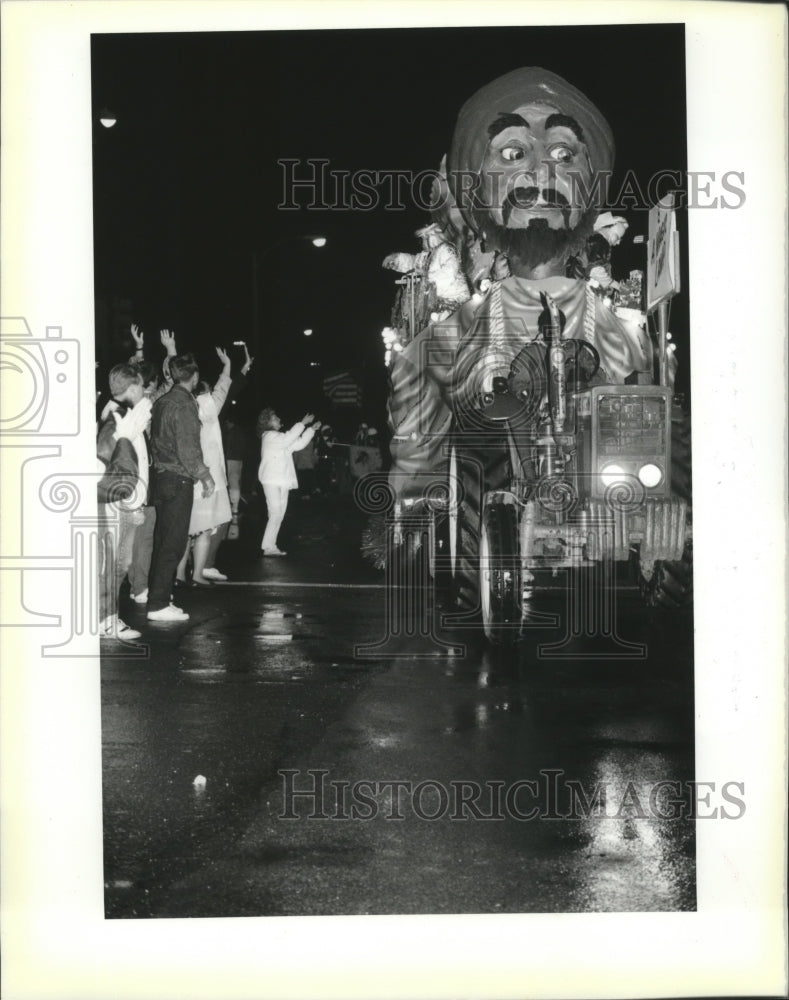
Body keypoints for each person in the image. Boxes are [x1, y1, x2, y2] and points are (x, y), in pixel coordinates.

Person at [147, 353, 214, 621]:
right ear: (194, 377)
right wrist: (205, 476)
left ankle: (159, 597)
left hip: (161, 477)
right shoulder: (185, 405)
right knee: (173, 544)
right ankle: (158, 605)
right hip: (178, 479)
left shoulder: (163, 402)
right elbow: (188, 448)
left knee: (163, 541)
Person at [96, 364, 152, 642]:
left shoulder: (124, 415)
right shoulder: (116, 418)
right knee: (113, 565)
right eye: (141, 386)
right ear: (132, 388)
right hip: (116, 505)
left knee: (119, 564)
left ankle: (107, 617)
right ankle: (105, 620)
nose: (144, 391)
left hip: (124, 503)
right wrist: (131, 503)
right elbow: (108, 464)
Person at [175, 347, 234, 586]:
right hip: (209, 478)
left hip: (186, 475)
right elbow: (222, 389)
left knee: (186, 529)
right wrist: (227, 365)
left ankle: (179, 575)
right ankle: (198, 573)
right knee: (206, 528)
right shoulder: (207, 406)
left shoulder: (179, 404)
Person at [257, 409, 320, 555]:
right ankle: (268, 546)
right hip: (271, 480)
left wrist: (311, 429)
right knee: (275, 513)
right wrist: (302, 423)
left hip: (282, 480)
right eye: (275, 417)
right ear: (267, 422)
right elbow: (288, 438)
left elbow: (297, 444)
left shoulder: (280, 438)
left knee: (278, 514)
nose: (279, 419)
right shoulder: (269, 436)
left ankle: (270, 546)